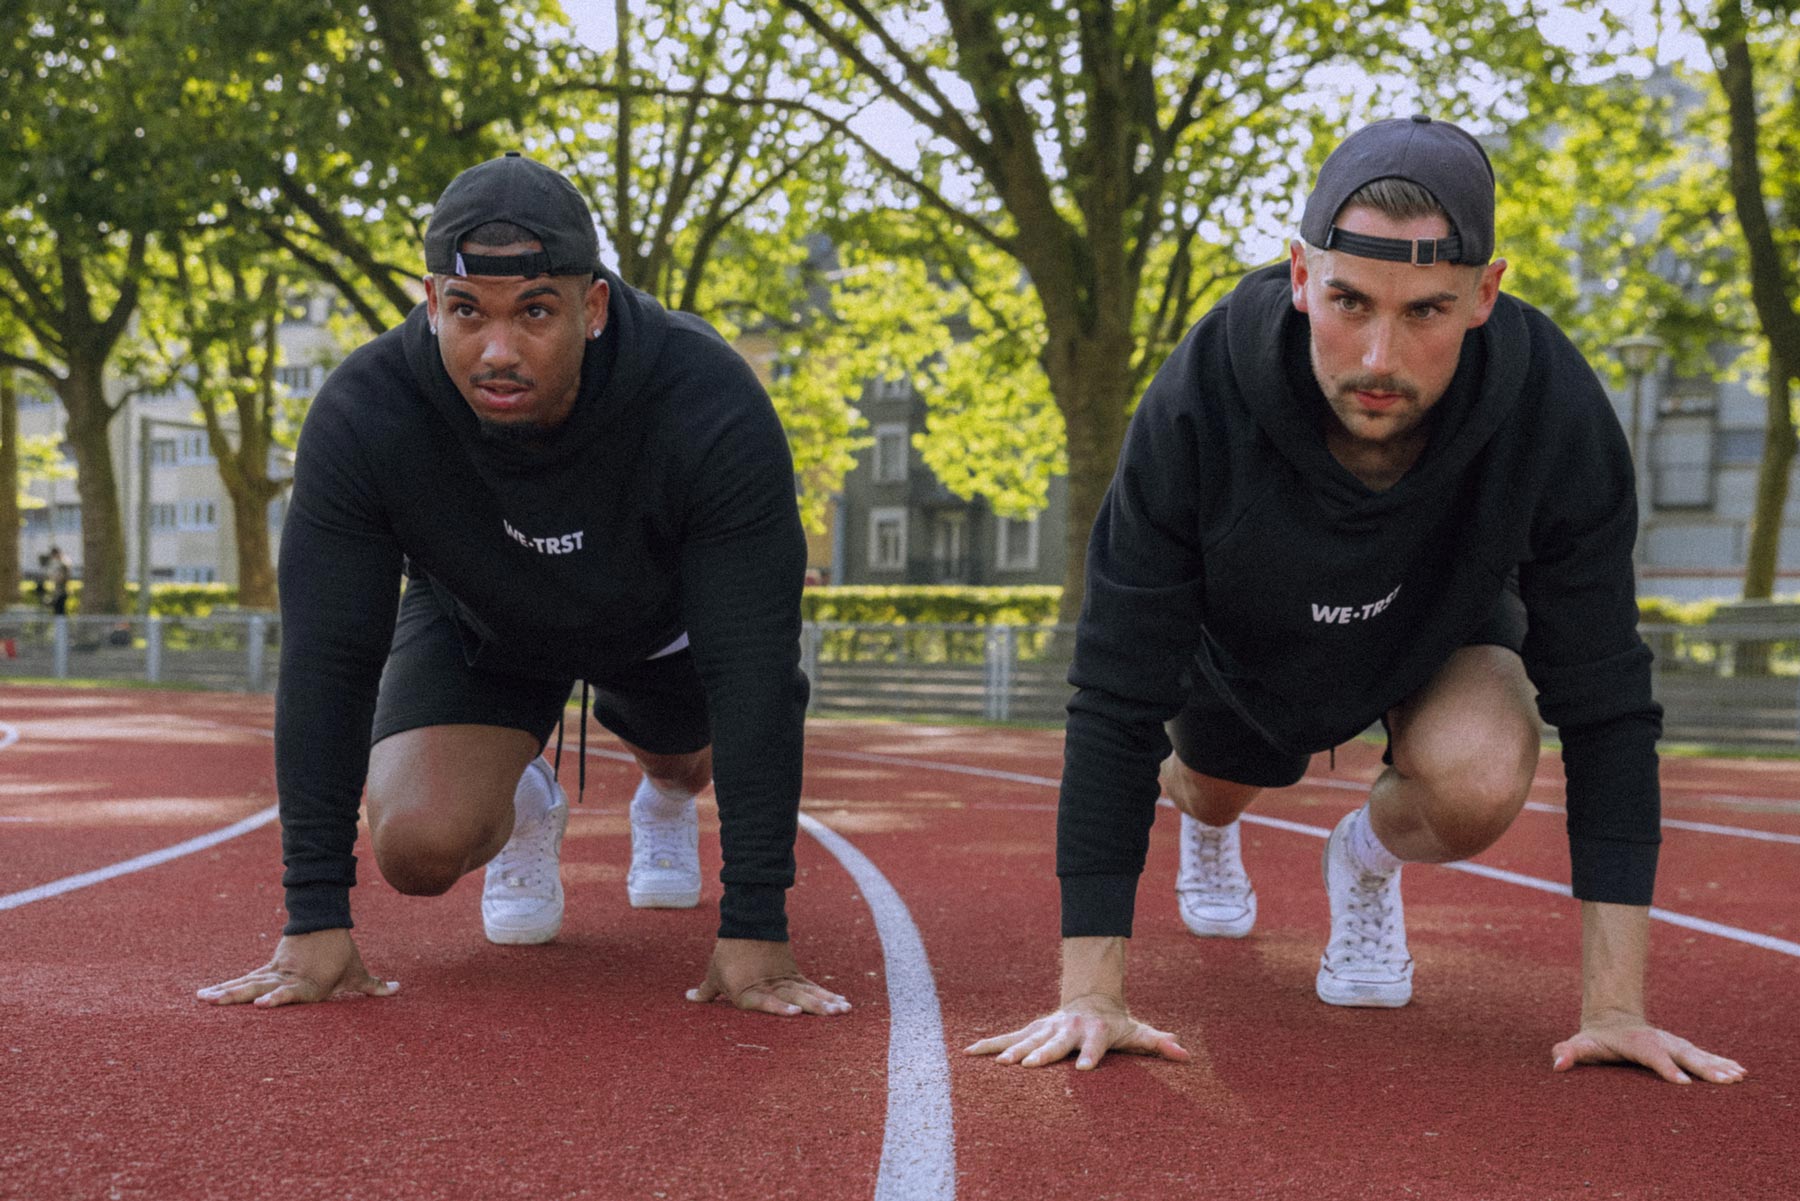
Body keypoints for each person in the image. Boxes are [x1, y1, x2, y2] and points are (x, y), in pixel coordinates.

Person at [967, 116, 1745, 1083]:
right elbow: (1117, 690)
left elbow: (1606, 698)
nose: (1379, 355)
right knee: (1213, 780)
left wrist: (1617, 1010)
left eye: (1426, 311)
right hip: (1243, 648)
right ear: (1299, 276)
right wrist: (1091, 993)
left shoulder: (1551, 407)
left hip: (1439, 630)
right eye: (1348, 300)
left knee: (1484, 771)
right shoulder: (1198, 397)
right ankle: (1208, 823)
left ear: (1485, 295)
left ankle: (1364, 855)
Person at [198, 153, 849, 1020]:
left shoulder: (705, 398)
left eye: (535, 311)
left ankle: (661, 793)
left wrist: (757, 925)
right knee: (417, 846)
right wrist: (312, 917)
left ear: (594, 306)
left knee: (693, 761)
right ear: (430, 304)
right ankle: (527, 795)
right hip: (486, 624)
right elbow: (327, 662)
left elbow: (758, 669)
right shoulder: (368, 412)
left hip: (658, 627)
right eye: (467, 312)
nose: (497, 350)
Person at [45, 547, 71, 616]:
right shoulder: (59, 563)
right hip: (58, 591)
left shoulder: (63, 563)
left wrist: (53, 577)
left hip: (62, 591)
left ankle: (61, 626)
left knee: (60, 611)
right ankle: (60, 625)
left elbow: (61, 577)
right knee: (57, 611)